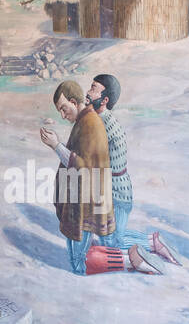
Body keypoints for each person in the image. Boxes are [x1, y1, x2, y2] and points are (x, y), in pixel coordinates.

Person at [82, 73, 179, 271]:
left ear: (105, 99)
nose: (88, 92)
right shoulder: (97, 119)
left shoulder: (103, 124)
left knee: (112, 242)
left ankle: (151, 245)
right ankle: (151, 242)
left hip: (117, 192)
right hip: (108, 189)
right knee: (106, 237)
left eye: (93, 89)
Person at [41, 80, 120, 274]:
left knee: (78, 262)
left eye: (64, 108)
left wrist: (56, 146)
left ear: (75, 102)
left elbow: (84, 167)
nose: (62, 115)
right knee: (78, 255)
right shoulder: (84, 120)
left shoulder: (90, 123)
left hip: (86, 200)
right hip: (82, 195)